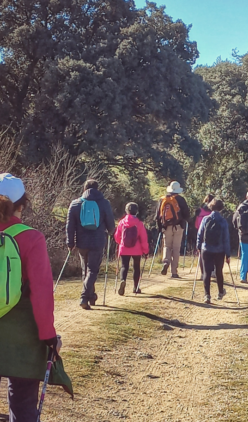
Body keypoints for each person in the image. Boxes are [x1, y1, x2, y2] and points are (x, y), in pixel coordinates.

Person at [0, 173, 72, 420]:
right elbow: (41, 294)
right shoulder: (31, 237)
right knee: (21, 400)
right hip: (23, 335)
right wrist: (49, 337)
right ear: (23, 204)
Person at [66, 179, 115, 310]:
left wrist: (70, 242)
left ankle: (91, 296)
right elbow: (110, 223)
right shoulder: (104, 203)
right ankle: (84, 297)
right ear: (98, 189)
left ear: (84, 189)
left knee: (86, 270)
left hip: (81, 242)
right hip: (98, 241)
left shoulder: (75, 204)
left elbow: (70, 226)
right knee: (92, 270)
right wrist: (111, 232)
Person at [196, 198, 231, 304]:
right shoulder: (223, 221)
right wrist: (228, 254)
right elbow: (226, 239)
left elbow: (200, 234)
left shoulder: (205, 219)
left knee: (206, 272)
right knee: (219, 271)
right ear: (221, 208)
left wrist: (198, 246)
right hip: (219, 250)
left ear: (211, 207)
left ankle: (207, 295)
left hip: (206, 249)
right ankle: (221, 292)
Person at [155, 181, 191, 279]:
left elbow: (157, 216)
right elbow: (187, 214)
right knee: (176, 248)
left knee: (167, 245)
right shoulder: (180, 199)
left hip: (166, 227)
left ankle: (166, 261)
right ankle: (174, 272)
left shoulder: (162, 200)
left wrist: (160, 228)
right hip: (178, 226)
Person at [114, 202, 149, 295]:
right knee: (136, 267)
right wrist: (146, 251)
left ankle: (122, 280)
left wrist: (121, 243)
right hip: (136, 249)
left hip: (124, 248)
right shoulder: (139, 223)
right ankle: (136, 287)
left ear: (126, 211)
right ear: (136, 211)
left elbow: (117, 236)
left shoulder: (121, 222)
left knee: (124, 266)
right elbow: (143, 238)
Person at [194, 194, 215, 277]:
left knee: (202, 253)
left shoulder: (199, 210)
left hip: (201, 233)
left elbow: (196, 224)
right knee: (213, 252)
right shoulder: (213, 211)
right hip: (212, 234)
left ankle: (203, 273)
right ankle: (212, 271)